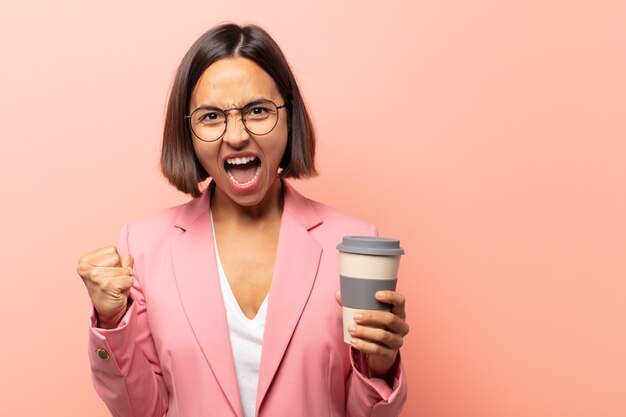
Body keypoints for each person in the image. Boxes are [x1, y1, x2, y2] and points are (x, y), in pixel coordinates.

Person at [77, 23, 409, 417]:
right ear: (188, 131)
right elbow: (142, 411)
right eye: (212, 116)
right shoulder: (144, 246)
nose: (236, 136)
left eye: (257, 111)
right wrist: (112, 323)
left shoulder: (352, 242)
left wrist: (381, 364)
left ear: (289, 117)